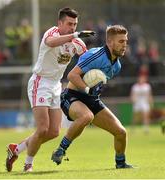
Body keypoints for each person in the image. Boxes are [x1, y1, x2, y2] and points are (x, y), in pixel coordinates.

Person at [6, 7, 95, 172]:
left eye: (75, 24)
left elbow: (88, 60)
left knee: (54, 131)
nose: (73, 27)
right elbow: (51, 43)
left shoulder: (77, 42)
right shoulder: (52, 33)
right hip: (40, 82)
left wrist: (97, 71)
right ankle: (28, 165)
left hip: (56, 85)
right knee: (42, 129)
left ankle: (16, 149)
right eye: (69, 23)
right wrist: (74, 35)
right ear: (59, 23)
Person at [51, 25, 133, 169]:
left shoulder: (117, 66)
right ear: (110, 42)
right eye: (121, 41)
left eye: (126, 41)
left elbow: (97, 84)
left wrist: (93, 91)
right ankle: (60, 150)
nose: (124, 45)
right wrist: (87, 89)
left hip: (91, 99)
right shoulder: (96, 55)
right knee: (86, 117)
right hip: (71, 95)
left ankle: (121, 164)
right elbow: (72, 75)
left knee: (121, 132)